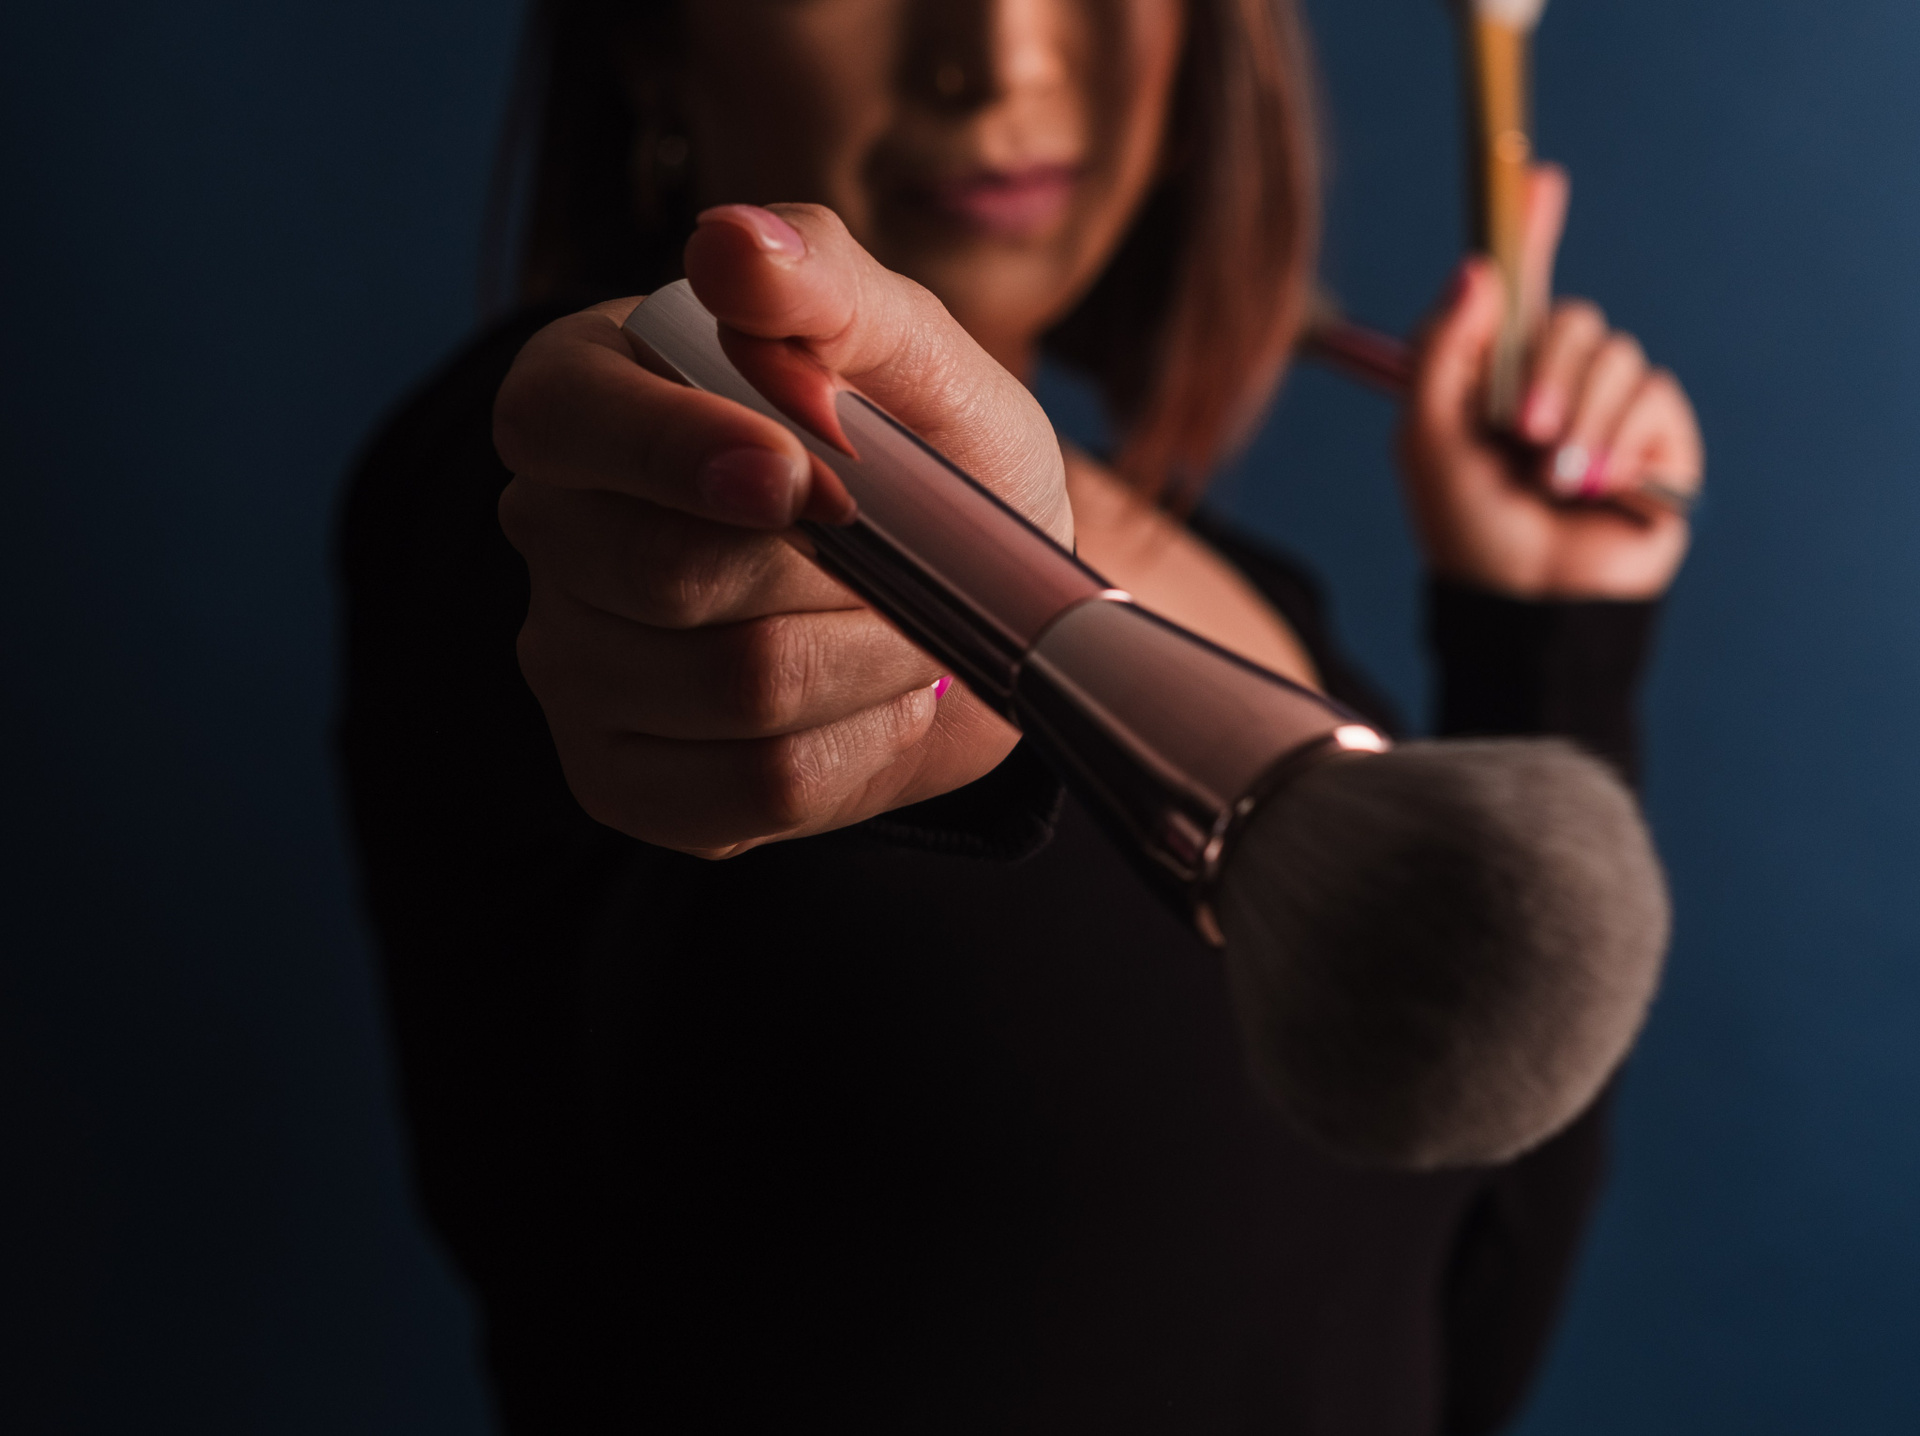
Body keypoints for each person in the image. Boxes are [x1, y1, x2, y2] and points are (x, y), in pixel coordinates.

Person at [337, 0, 1702, 1430]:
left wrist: (1544, 636)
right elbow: (579, 553)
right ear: (651, 37)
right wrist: (908, 634)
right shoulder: (557, 485)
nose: (1002, 53)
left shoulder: (1264, 604)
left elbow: (1438, 1356)